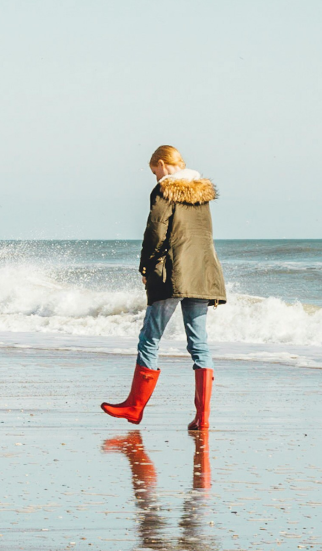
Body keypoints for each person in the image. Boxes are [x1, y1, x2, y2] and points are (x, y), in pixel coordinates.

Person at [102, 145, 226, 430]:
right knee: (199, 343)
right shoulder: (201, 193)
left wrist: (146, 267)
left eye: (154, 170)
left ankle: (134, 407)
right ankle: (202, 418)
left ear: (161, 163)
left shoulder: (164, 189)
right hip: (203, 272)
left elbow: (156, 231)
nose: (154, 176)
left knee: (150, 336)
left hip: (172, 272)